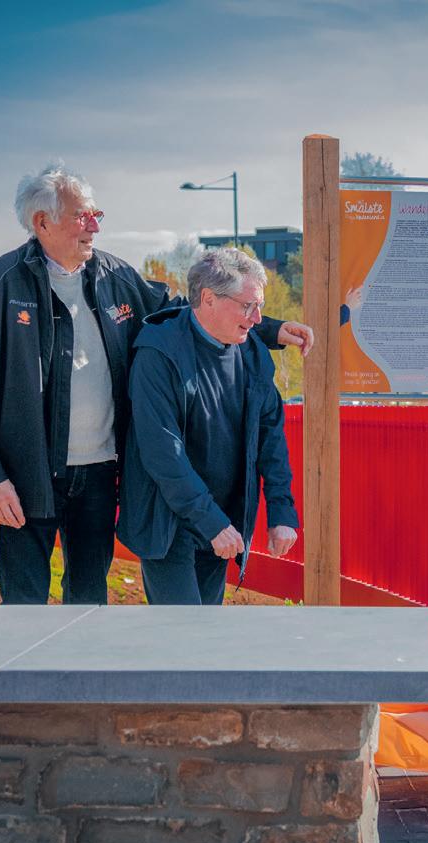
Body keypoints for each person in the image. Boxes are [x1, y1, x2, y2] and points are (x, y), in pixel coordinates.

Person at [0, 163, 311, 605]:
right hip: (25, 477)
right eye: (83, 216)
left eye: (96, 214)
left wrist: (268, 329)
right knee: (23, 605)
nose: (95, 226)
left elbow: (191, 311)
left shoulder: (116, 277)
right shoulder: (0, 284)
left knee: (89, 601)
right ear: (42, 222)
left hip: (99, 474)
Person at [117, 249, 298, 604]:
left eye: (259, 306)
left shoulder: (251, 352)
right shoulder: (159, 353)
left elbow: (271, 437)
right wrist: (210, 521)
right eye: (248, 306)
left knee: (207, 628)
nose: (257, 318)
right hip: (169, 522)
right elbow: (162, 453)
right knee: (183, 630)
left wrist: (282, 511)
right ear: (208, 299)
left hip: (221, 518)